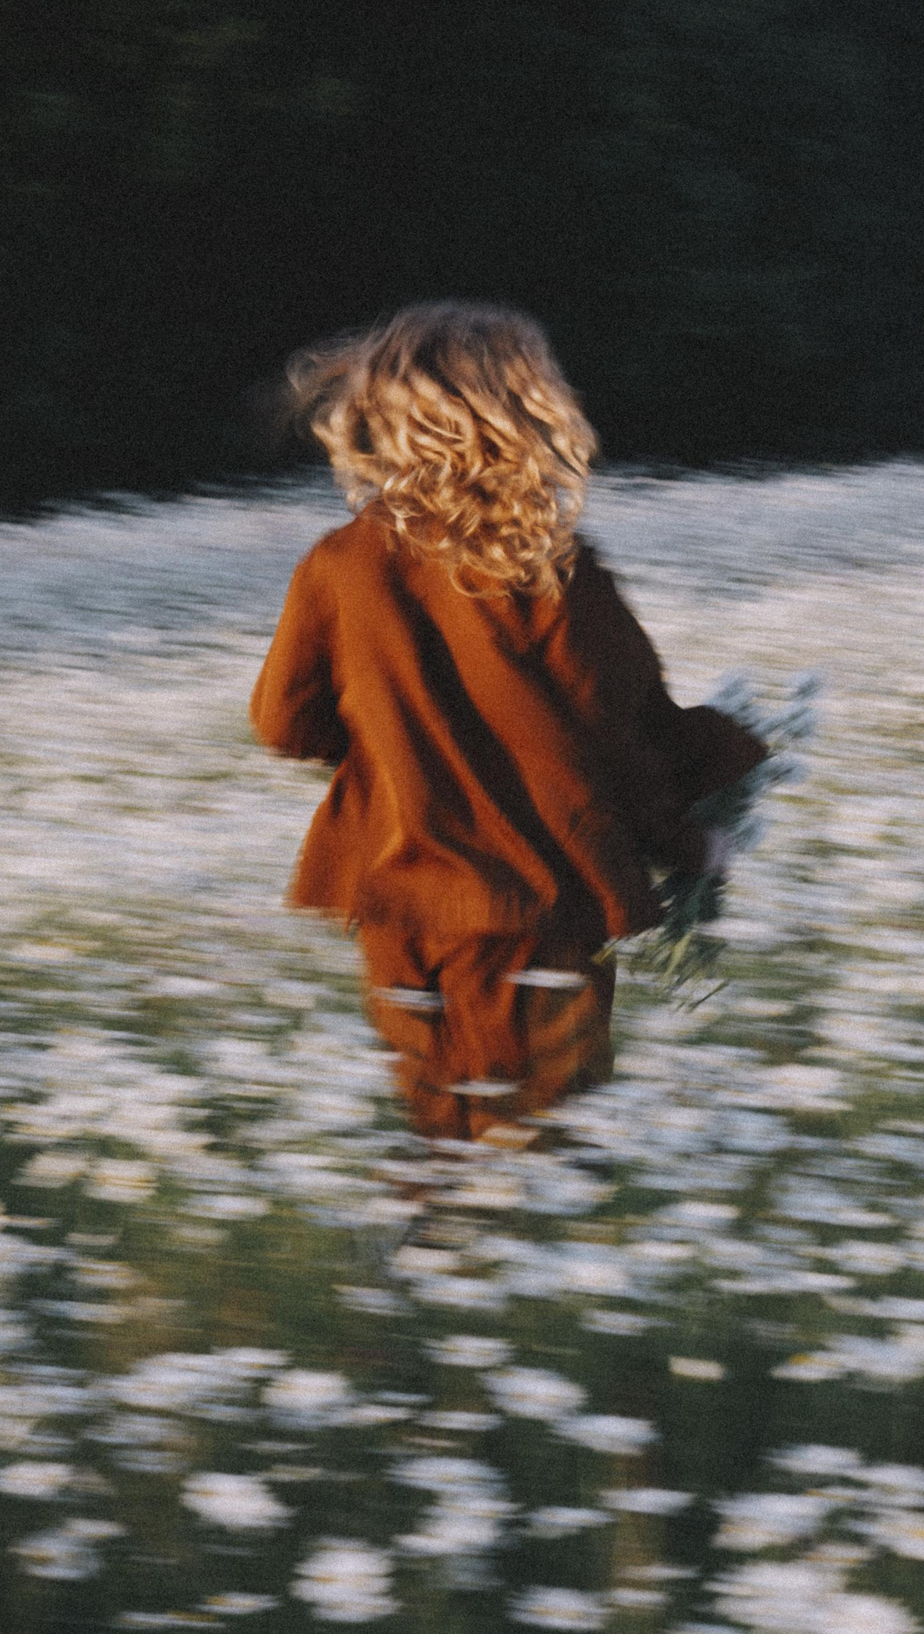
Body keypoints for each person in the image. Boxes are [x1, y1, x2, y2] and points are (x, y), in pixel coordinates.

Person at [251, 301, 766, 1148]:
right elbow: (621, 740)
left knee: (443, 1130)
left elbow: (283, 723)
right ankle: (518, 1259)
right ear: (528, 418)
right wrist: (687, 840)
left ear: (385, 419)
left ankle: (432, 1259)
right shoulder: (558, 573)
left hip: (400, 907)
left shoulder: (338, 567)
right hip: (543, 904)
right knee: (546, 1136)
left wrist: (397, 745)